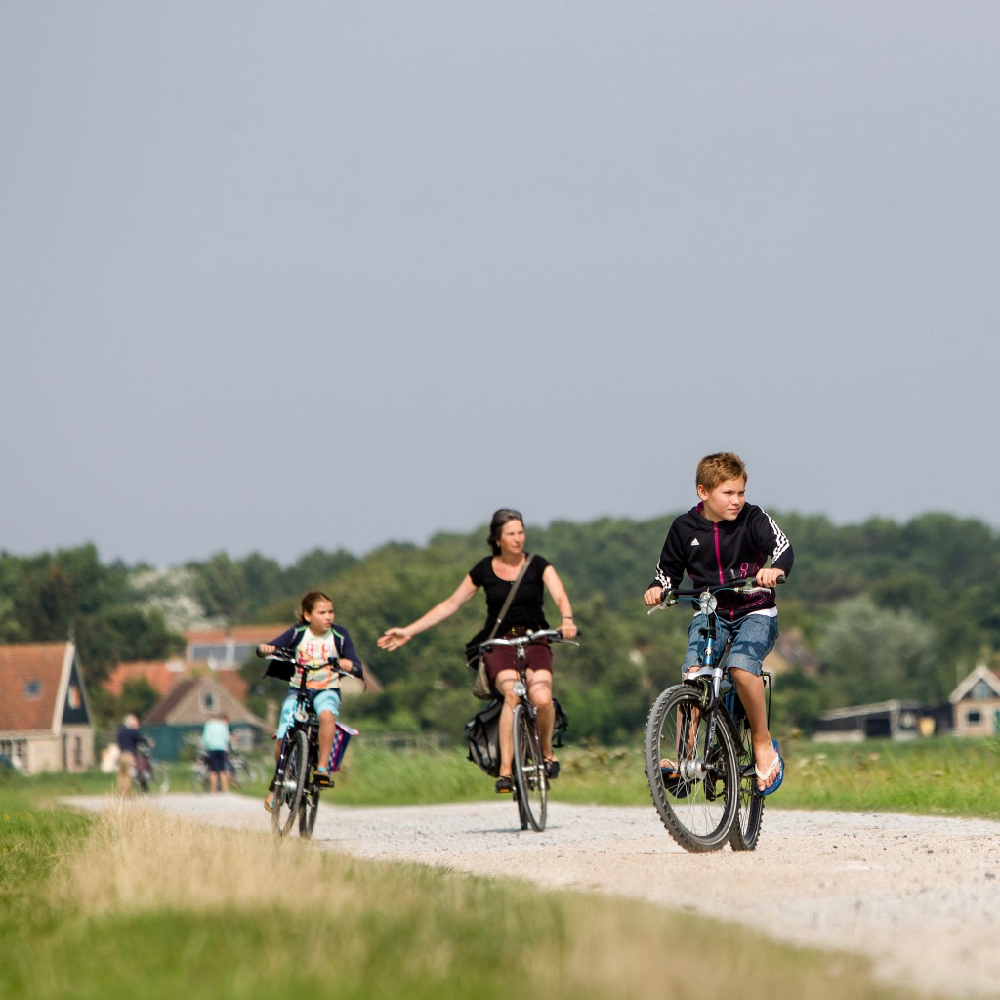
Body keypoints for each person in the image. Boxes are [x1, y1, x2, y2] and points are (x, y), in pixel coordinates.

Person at [378, 508, 577, 794]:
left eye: (521, 532)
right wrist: (409, 631)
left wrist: (567, 619)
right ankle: (506, 771)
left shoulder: (538, 565)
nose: (518, 538)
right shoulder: (484, 570)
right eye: (511, 534)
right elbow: (449, 605)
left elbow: (560, 595)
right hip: (499, 644)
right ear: (497, 539)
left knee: (543, 698)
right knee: (512, 694)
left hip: (535, 640)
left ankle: (546, 753)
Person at [643, 452, 794, 794]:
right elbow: (667, 572)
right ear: (704, 492)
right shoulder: (684, 528)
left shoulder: (753, 518)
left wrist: (775, 569)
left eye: (740, 492)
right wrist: (657, 588)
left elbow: (783, 548)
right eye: (728, 493)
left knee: (741, 667)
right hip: (710, 612)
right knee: (694, 675)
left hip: (755, 611)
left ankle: (762, 743)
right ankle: (684, 761)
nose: (736, 501)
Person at [258, 591, 361, 812]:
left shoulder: (339, 635)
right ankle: (278, 783)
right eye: (322, 612)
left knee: (327, 716)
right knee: (283, 734)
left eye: (331, 612)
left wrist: (348, 664)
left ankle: (322, 767)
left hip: (327, 690)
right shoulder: (298, 633)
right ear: (307, 615)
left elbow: (354, 661)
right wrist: (267, 648)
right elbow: (274, 645)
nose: (328, 617)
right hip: (298, 690)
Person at [115, 713, 151, 796]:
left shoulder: (121, 731)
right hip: (129, 755)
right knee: (128, 776)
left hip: (121, 755)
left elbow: (118, 742)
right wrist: (149, 742)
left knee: (121, 775)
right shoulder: (132, 732)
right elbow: (141, 739)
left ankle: (120, 794)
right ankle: (127, 794)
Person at [200, 712, 231, 793]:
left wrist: (204, 746)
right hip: (222, 748)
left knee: (213, 771)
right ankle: (225, 789)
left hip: (212, 748)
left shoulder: (208, 725)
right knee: (223, 770)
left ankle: (214, 790)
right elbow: (226, 738)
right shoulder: (223, 725)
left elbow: (205, 739)